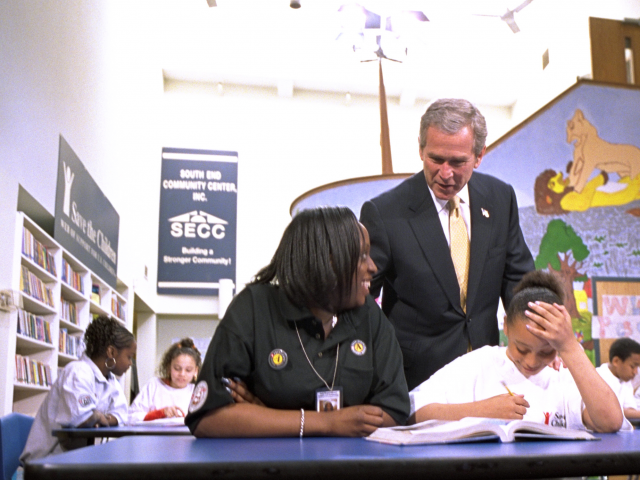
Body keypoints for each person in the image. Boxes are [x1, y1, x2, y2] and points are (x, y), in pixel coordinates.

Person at [185, 206, 410, 437]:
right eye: (362, 255)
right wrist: (327, 423)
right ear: (328, 261)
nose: (373, 266)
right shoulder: (254, 308)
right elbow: (207, 418)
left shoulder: (369, 315)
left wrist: (271, 417)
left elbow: (394, 411)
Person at [360, 98, 535, 389]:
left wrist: (541, 341)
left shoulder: (500, 199)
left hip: (487, 378)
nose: (445, 173)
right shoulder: (385, 213)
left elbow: (519, 282)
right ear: (420, 149)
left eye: (457, 162)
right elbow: (361, 297)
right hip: (415, 382)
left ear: (479, 156)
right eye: (436, 159)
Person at [409, 271, 628, 433]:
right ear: (505, 326)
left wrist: (569, 346)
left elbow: (610, 421)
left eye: (546, 352)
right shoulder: (480, 363)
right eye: (521, 348)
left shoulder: (566, 375)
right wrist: (479, 410)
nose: (531, 361)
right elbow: (412, 413)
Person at [21, 316, 136, 463]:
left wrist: (100, 417)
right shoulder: (78, 372)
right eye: (129, 356)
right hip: (45, 463)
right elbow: (81, 418)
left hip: (74, 460)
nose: (130, 363)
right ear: (111, 352)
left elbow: (121, 415)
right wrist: (96, 416)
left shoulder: (110, 379)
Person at [129, 338, 202, 423]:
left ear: (195, 371)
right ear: (168, 368)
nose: (182, 374)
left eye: (188, 370)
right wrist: (160, 413)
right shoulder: (154, 385)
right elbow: (131, 417)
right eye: (177, 368)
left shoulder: (197, 392)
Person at [595, 337, 640, 420]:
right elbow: (609, 411)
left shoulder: (625, 380)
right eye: (632, 366)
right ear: (616, 361)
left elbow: (630, 410)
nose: (635, 372)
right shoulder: (597, 378)